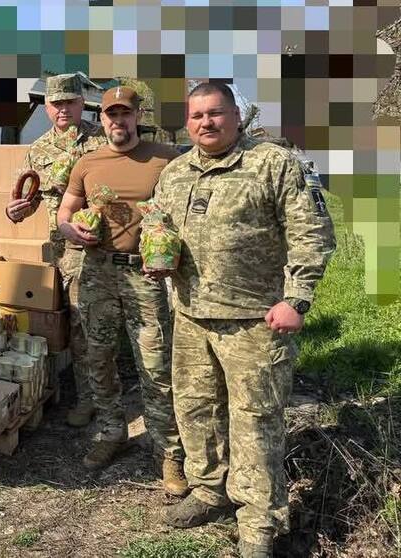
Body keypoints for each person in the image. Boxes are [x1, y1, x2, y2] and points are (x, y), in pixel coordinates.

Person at [153, 83, 335, 558]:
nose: (206, 123)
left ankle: (259, 523)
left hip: (255, 321)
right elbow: (159, 227)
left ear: (237, 116)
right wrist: (157, 253)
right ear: (187, 122)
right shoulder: (175, 172)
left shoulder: (273, 163)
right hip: (191, 316)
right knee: (196, 411)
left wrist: (297, 299)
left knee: (255, 423)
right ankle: (209, 490)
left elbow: (312, 232)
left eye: (215, 113)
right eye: (196, 116)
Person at [56, 86, 187, 495]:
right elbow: (65, 210)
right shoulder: (88, 162)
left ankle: (168, 451)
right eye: (111, 114)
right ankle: (112, 431)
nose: (118, 121)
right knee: (98, 356)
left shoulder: (166, 157)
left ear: (137, 116)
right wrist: (70, 229)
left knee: (155, 363)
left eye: (125, 113)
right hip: (97, 271)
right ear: (103, 119)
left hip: (146, 275)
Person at [6, 73, 106, 428]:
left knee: (98, 326)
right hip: (64, 252)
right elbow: (27, 198)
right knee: (74, 324)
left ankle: (102, 396)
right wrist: (15, 211)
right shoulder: (38, 149)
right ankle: (84, 395)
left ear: (82, 104)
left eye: (70, 102)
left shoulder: (102, 139)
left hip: (104, 248)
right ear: (47, 107)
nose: (63, 110)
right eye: (56, 104)